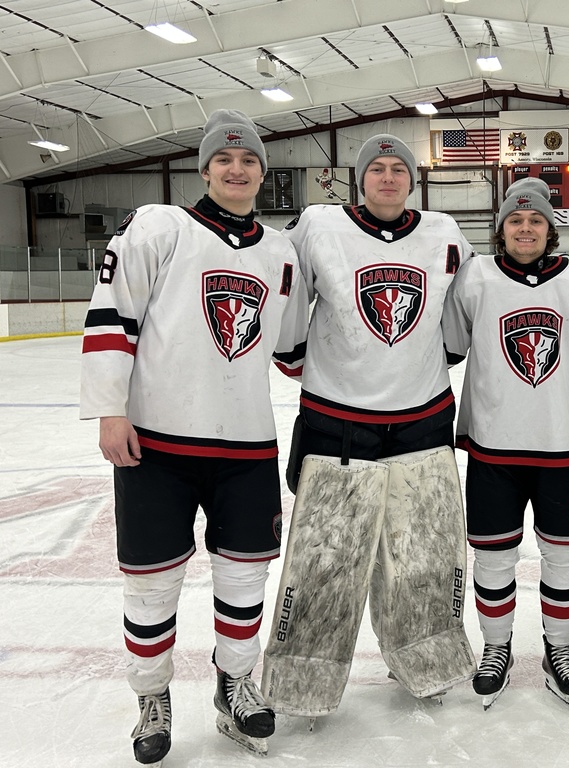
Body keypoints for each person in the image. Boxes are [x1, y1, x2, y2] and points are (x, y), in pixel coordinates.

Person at [79, 109, 310, 764]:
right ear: (205, 168)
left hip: (245, 447)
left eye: (249, 160)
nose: (237, 169)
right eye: (224, 159)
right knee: (150, 584)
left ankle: (236, 683)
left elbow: (294, 350)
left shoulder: (280, 251)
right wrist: (109, 409)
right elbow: (110, 319)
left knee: (245, 580)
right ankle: (152, 696)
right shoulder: (159, 226)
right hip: (157, 445)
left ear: (263, 174)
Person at [278, 133, 475, 700]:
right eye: (377, 169)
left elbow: (458, 314)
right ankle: (303, 672)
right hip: (336, 422)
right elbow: (281, 282)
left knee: (421, 555)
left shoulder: (444, 232)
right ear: (360, 179)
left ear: (413, 180)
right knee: (326, 559)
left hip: (423, 418)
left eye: (399, 169)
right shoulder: (319, 224)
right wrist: (294, 353)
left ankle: (420, 652)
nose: (388, 178)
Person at [442, 178, 569, 710]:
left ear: (550, 228)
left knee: (563, 558)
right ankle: (497, 648)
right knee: (493, 559)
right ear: (501, 229)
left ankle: (559, 650)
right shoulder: (476, 277)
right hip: (494, 447)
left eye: (535, 220)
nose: (525, 228)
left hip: (563, 447)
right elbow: (448, 343)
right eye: (515, 220)